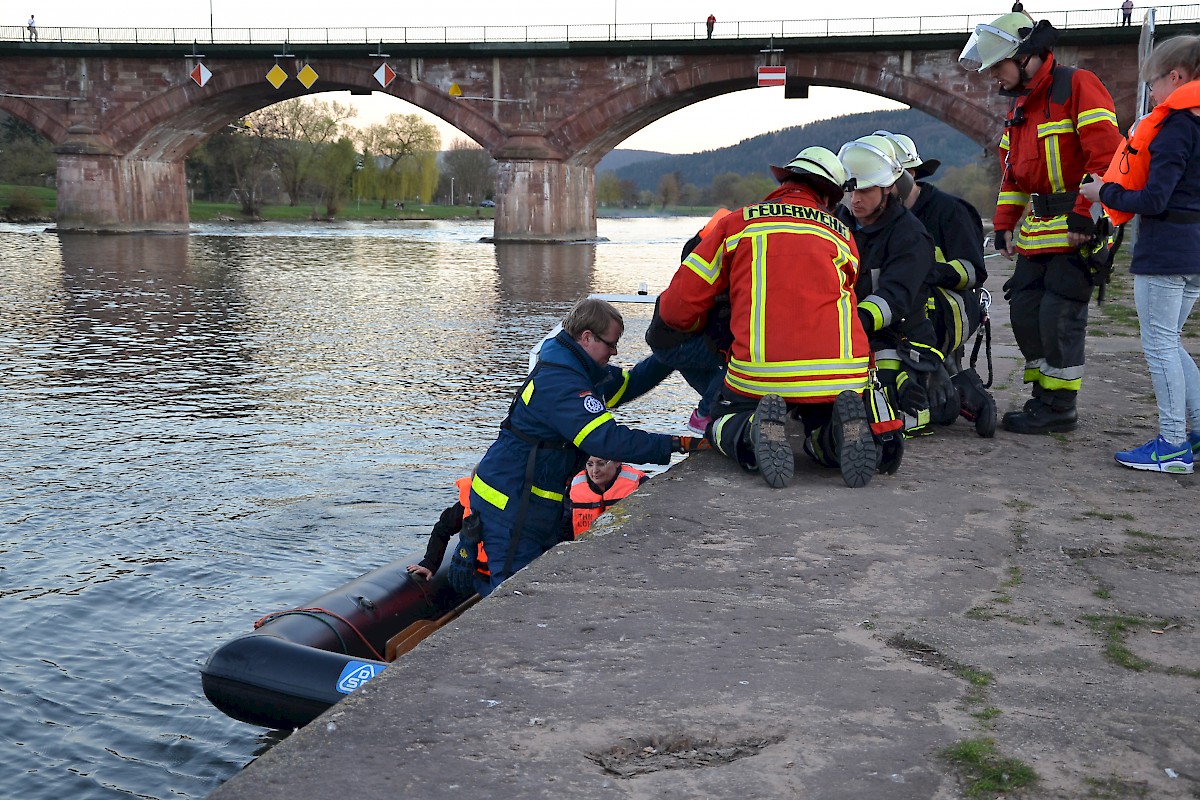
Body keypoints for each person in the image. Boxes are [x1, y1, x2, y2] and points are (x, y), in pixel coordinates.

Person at [658, 146, 879, 490]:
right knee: (821, 422)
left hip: (761, 374)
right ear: (826, 196)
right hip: (841, 376)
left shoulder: (738, 223)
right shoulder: (843, 235)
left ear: (784, 181)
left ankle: (748, 430)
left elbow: (677, 307)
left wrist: (706, 329)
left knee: (717, 420)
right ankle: (834, 437)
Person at [468, 297, 707, 596]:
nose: (615, 351)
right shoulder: (561, 379)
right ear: (587, 337)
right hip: (511, 504)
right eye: (611, 343)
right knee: (515, 593)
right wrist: (677, 443)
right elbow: (605, 439)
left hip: (533, 500)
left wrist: (670, 355)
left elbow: (629, 384)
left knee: (535, 585)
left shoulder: (577, 366)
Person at [959, 11, 1122, 434]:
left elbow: (1105, 157)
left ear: (1027, 55)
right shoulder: (1020, 108)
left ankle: (1060, 406)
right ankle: (1043, 398)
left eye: (999, 65)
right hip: (1040, 228)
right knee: (1027, 311)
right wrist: (1005, 224)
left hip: (1076, 223)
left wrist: (1086, 217)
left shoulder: (1077, 85)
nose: (994, 75)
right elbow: (1014, 176)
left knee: (1058, 315)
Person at [1079, 35, 1200, 474]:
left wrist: (1102, 191)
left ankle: (1171, 443)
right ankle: (1197, 430)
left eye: (1153, 84)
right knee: (1173, 342)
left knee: (1160, 345)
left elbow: (1154, 200)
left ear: (1177, 77)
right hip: (1193, 252)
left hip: (1167, 252)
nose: (1150, 93)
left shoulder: (1176, 129)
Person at [873, 130, 995, 434]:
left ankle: (950, 382)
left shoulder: (950, 211)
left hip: (945, 309)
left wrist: (923, 271)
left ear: (909, 174)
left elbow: (971, 273)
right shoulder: (875, 217)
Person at [837, 134, 942, 438]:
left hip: (900, 336)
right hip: (851, 331)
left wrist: (850, 322)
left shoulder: (910, 236)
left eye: (866, 191)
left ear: (888, 189)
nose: (855, 199)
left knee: (889, 409)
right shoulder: (836, 225)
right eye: (851, 189)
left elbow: (894, 298)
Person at [645, 208, 733, 435]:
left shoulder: (696, 252)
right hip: (677, 344)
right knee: (741, 362)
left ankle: (714, 415)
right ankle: (705, 415)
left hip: (665, 341)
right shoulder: (719, 267)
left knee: (724, 396)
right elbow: (720, 328)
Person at [406, 473, 488, 596]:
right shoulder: (466, 505)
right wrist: (430, 563)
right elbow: (442, 529)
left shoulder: (515, 504)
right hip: (481, 575)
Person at [561, 456, 648, 539]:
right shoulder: (574, 486)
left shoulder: (640, 483)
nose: (595, 471)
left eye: (601, 464)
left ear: (617, 462)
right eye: (590, 464)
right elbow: (564, 527)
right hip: (585, 548)